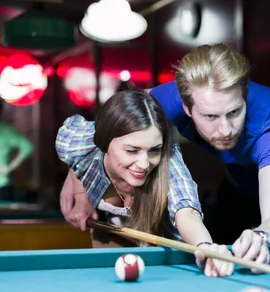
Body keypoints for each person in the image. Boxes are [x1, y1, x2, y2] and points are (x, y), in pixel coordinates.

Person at [149, 44, 270, 265]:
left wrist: (263, 236)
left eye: (234, 112)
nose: (226, 129)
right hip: (238, 180)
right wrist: (87, 193)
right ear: (187, 108)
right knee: (217, 254)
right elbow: (115, 124)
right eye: (211, 116)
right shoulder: (166, 101)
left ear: (245, 98)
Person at [56, 90, 233, 277]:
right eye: (132, 150)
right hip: (112, 234)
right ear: (103, 142)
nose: (144, 164)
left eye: (154, 150)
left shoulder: (169, 160)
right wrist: (80, 196)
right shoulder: (76, 143)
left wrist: (205, 245)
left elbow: (186, 211)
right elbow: (74, 154)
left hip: (166, 252)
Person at [0, 100, 34, 200]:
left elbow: (28, 147)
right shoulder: (7, 129)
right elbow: (27, 147)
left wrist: (10, 167)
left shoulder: (6, 129)